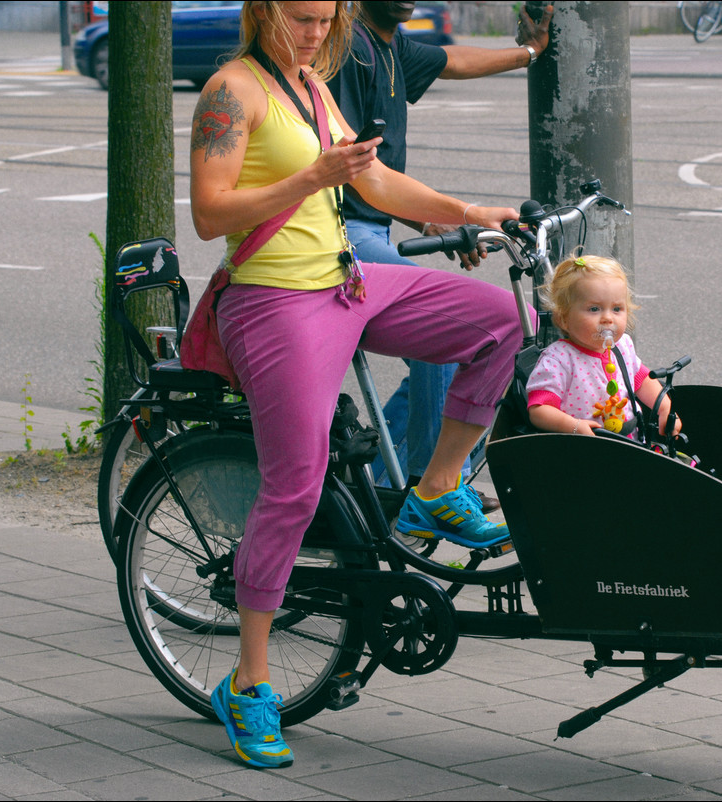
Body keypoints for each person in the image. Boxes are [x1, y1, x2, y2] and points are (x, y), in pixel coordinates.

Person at [188, 0, 521, 768]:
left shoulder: (312, 84)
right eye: (301, 18)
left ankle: (437, 487)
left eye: (324, 20)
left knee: (500, 322)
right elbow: (210, 214)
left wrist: (470, 212)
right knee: (295, 487)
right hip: (274, 300)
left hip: (347, 282)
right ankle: (249, 684)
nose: (313, 32)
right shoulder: (230, 91)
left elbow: (375, 182)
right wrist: (311, 176)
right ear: (265, 9)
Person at [326, 2, 553, 501]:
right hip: (341, 234)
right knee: (452, 340)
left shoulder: (391, 46)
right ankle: (432, 487)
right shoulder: (349, 52)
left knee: (451, 353)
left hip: (372, 226)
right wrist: (457, 214)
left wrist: (529, 53)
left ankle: (368, 486)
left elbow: (454, 61)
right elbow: (351, 170)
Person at [526, 253, 679, 438]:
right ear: (564, 319)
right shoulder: (558, 359)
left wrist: (664, 407)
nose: (608, 318)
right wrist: (574, 426)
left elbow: (641, 380)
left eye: (616, 309)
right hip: (584, 447)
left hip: (629, 438)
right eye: (594, 309)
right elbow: (539, 410)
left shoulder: (623, 345)